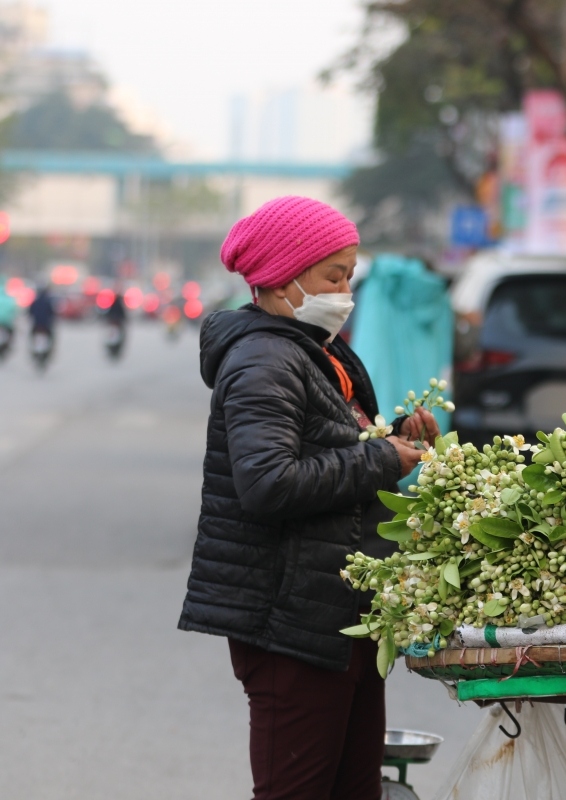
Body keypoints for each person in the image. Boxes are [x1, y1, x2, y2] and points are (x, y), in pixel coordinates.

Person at [178, 196, 437, 800]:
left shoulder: (314, 351)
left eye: (350, 275)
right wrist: (381, 460)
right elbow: (268, 483)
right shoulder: (263, 360)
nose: (345, 291)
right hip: (289, 621)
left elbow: (327, 445)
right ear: (283, 278)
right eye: (333, 276)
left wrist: (394, 436)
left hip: (339, 615)